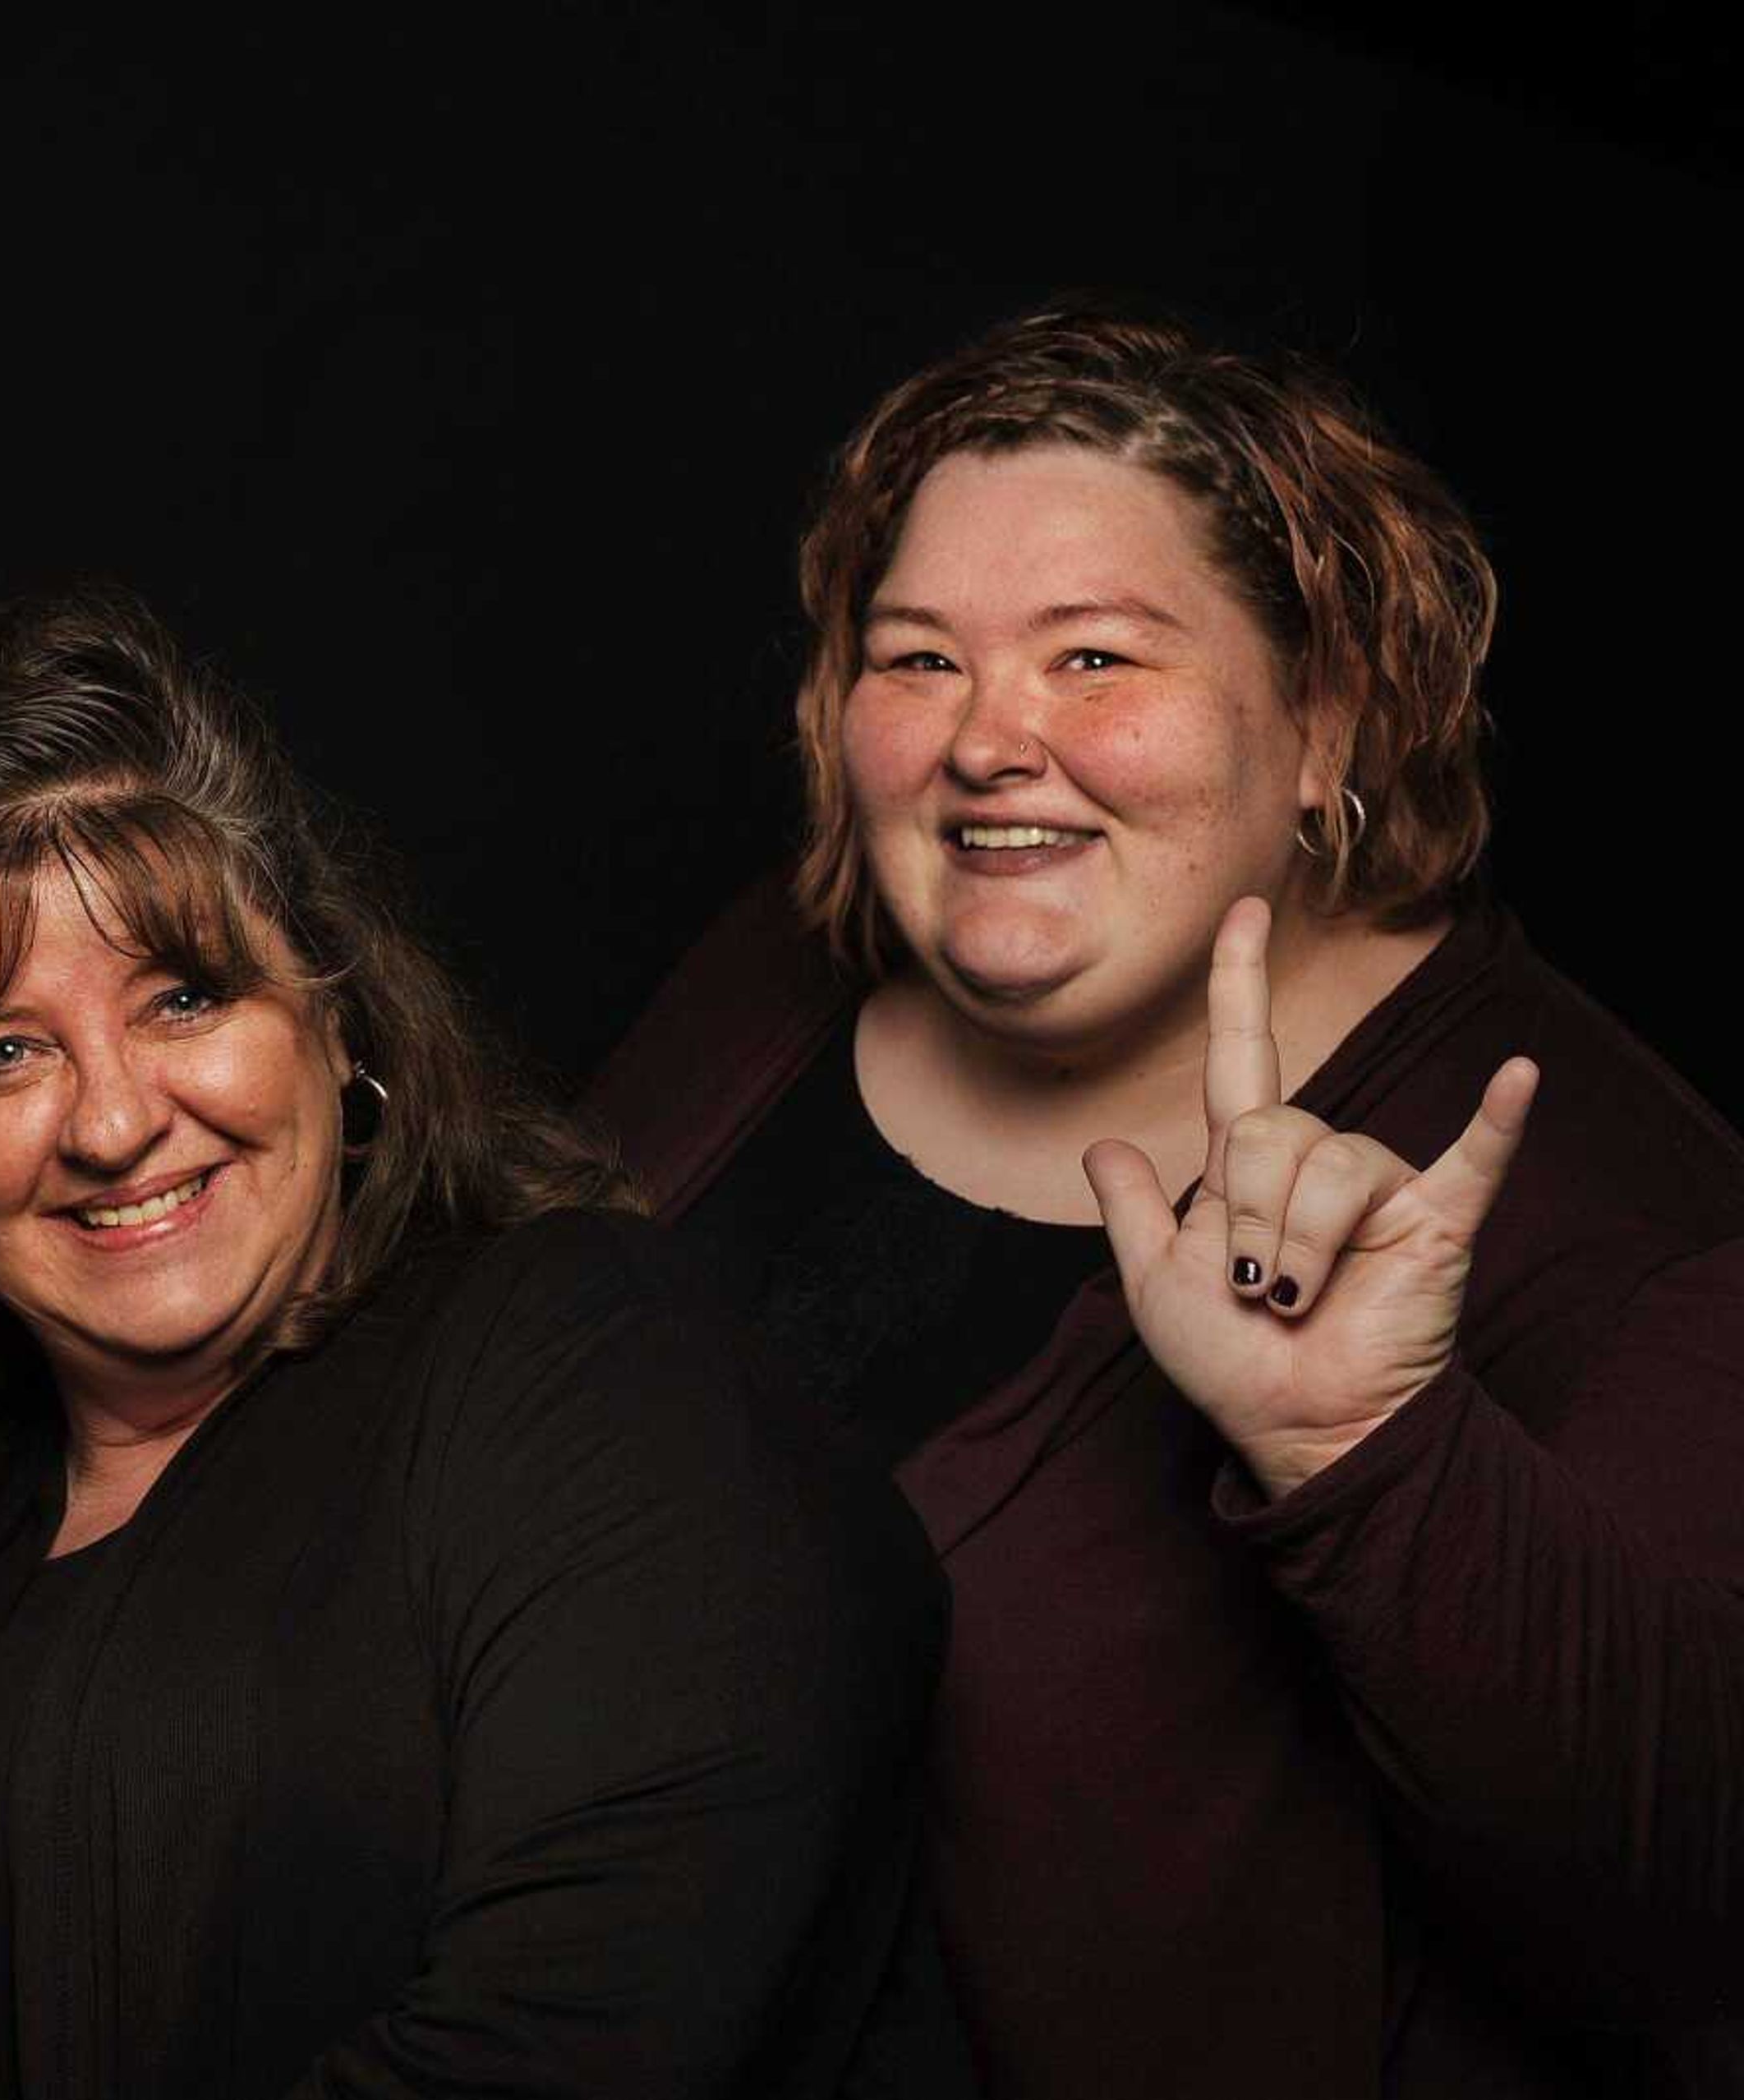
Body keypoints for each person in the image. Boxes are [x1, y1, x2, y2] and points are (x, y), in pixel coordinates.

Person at [0, 590, 964, 2098]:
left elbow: (593, 2049)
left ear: (335, 1015)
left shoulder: (597, 1374)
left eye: (183, 998)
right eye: (4, 1052)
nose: (111, 1122)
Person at [587, 304, 1744, 2097]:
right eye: (918, 660)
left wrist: (1367, 1445)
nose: (987, 743)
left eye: (1096, 659)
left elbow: (1686, 1920)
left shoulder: (1632, 1220)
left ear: (1321, 720)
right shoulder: (770, 980)